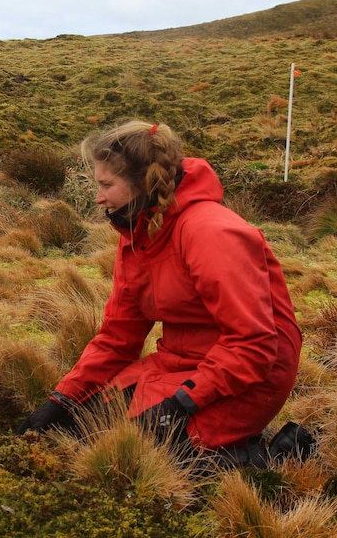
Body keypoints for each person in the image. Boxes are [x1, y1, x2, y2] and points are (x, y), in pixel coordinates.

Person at [17, 120, 313, 467]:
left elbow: (255, 344)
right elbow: (118, 335)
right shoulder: (139, 234)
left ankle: (276, 457)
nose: (98, 197)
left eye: (106, 185)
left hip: (253, 373)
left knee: (145, 460)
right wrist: (64, 399)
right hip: (182, 362)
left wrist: (181, 403)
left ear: (141, 184)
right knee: (86, 427)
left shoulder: (211, 233)